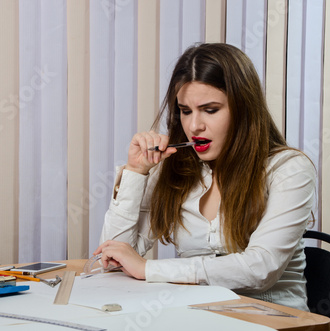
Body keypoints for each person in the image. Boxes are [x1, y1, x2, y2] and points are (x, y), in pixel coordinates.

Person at [94, 43, 316, 311]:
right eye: (186, 111)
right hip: (195, 316)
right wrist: (135, 173)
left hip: (274, 319)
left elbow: (260, 269)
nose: (194, 125)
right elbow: (113, 258)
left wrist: (148, 269)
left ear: (244, 109)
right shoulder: (174, 169)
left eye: (210, 110)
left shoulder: (288, 169)